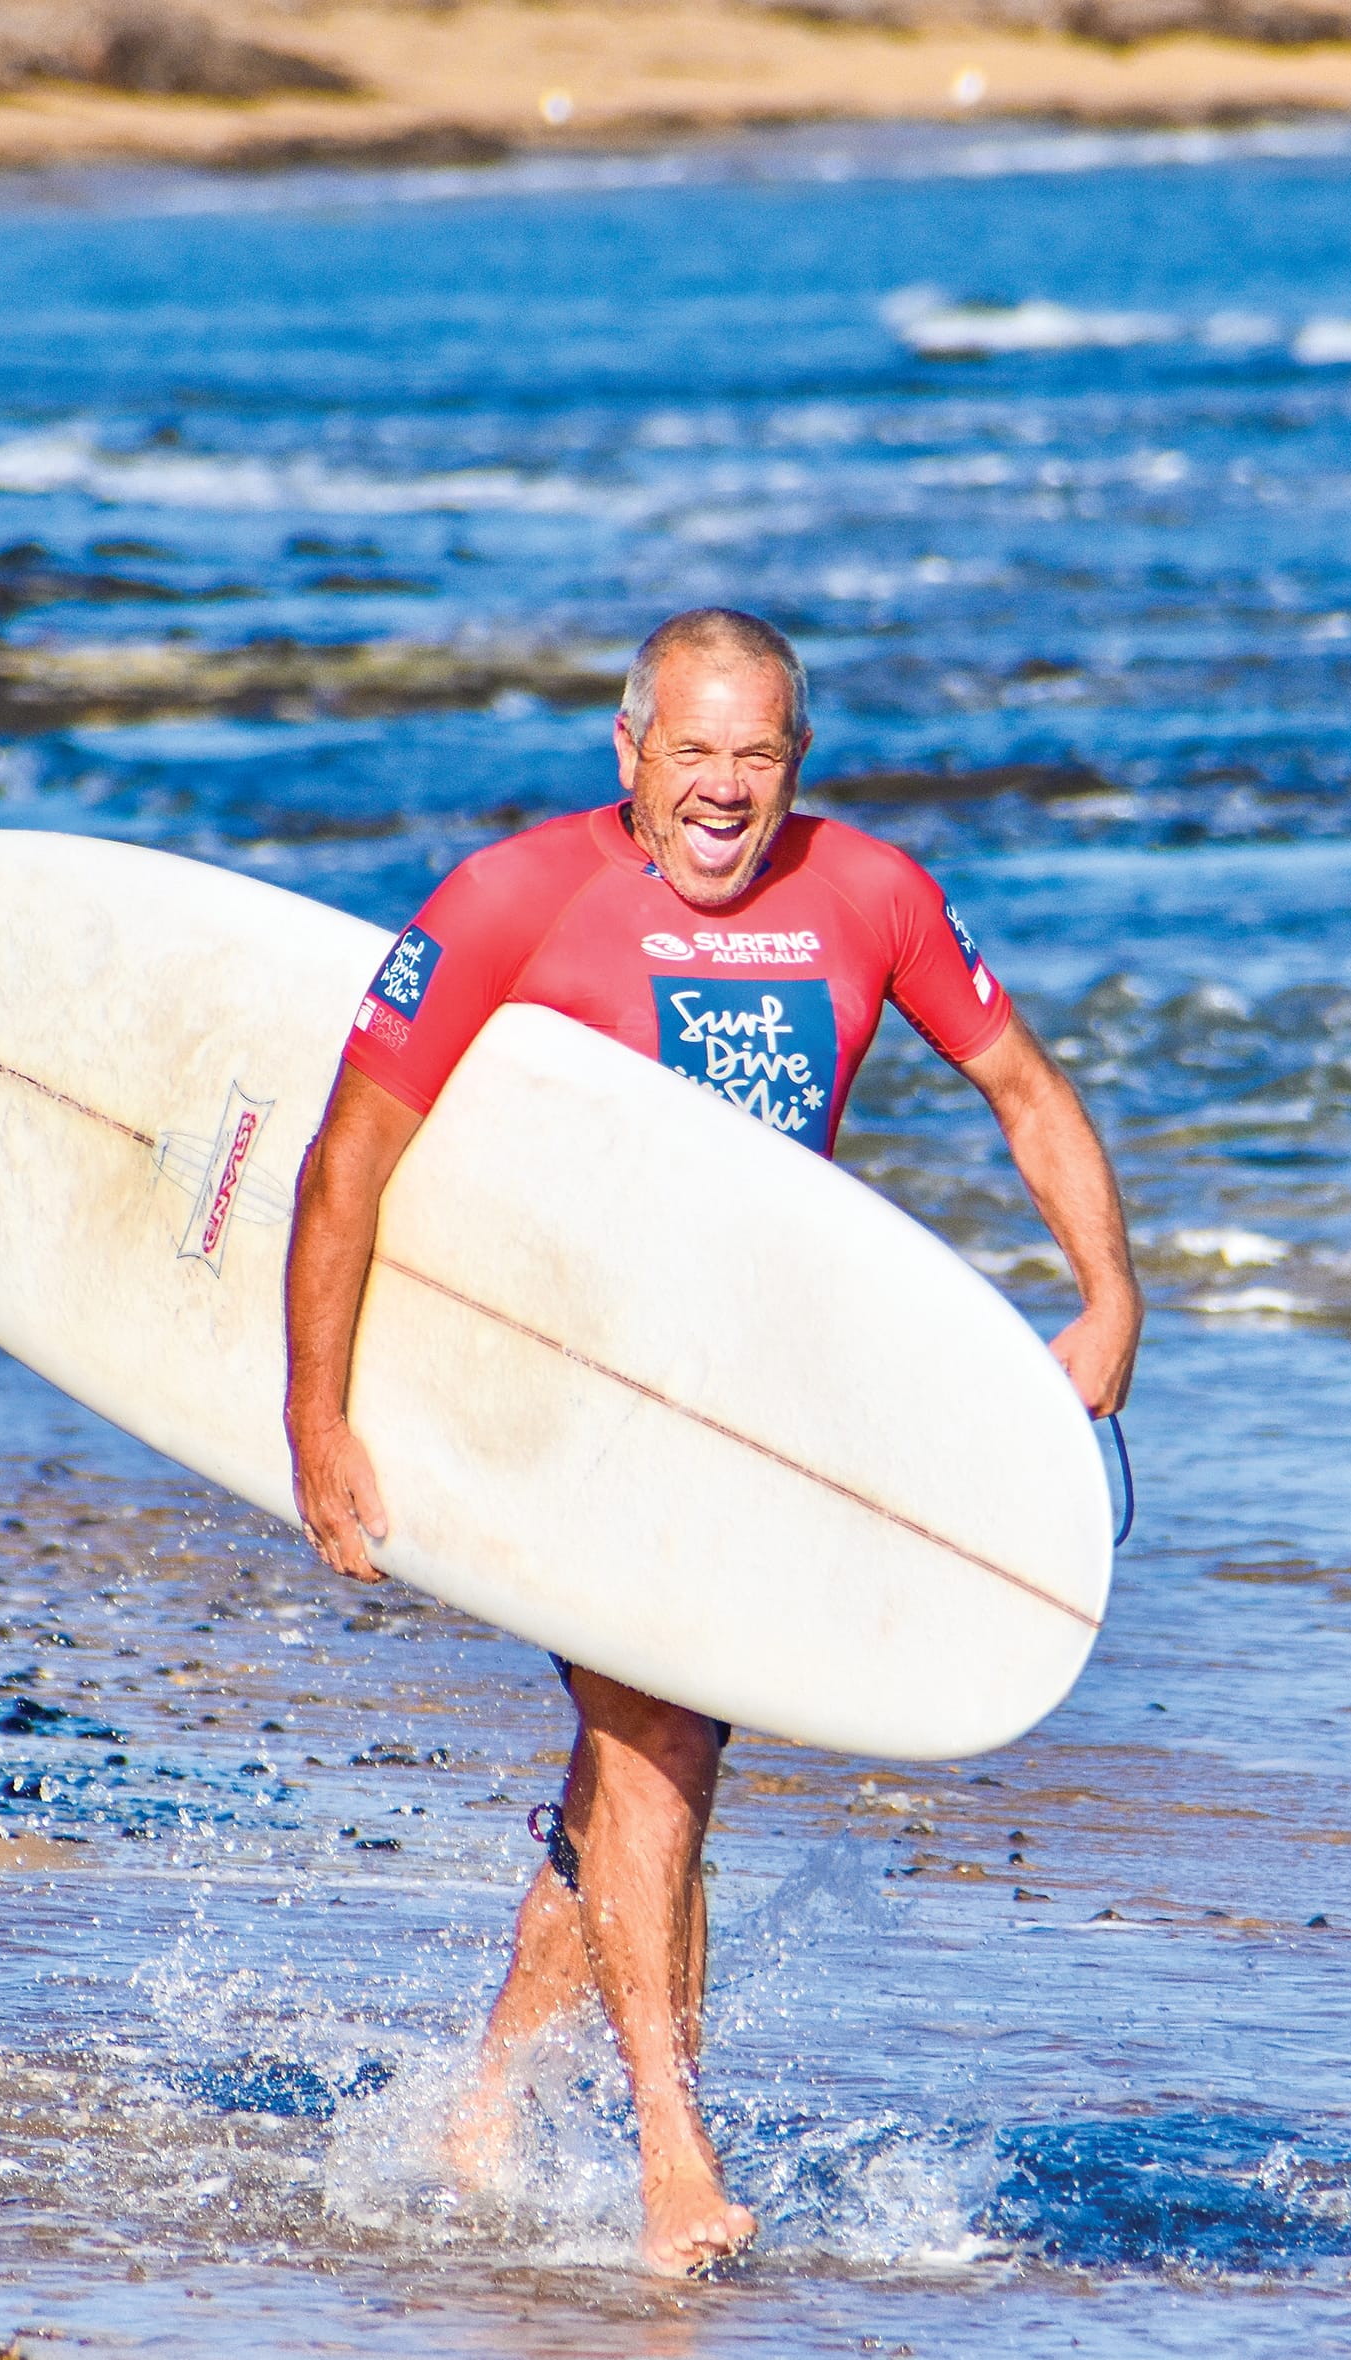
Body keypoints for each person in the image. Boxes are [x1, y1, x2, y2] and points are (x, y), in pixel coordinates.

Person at [284, 607, 1142, 2276]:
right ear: (630, 752)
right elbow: (348, 1153)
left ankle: (485, 2120)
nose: (726, 790)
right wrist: (318, 1412)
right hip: (567, 1387)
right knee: (655, 1744)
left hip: (752, 1397)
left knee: (648, 1768)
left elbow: (1026, 1089)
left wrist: (1108, 1295)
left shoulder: (873, 891)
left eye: (759, 755)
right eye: (694, 751)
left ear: (796, 761)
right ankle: (680, 2163)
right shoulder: (509, 896)